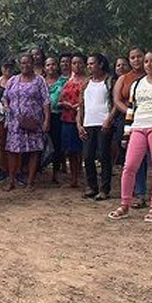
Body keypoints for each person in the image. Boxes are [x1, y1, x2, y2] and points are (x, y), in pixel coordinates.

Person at [108, 49, 152, 224]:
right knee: (129, 166)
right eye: (146, 62)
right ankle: (124, 204)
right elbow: (131, 110)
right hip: (138, 127)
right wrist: (127, 133)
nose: (149, 64)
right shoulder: (137, 84)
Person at [1, 53, 51, 191]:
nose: (25, 65)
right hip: (15, 122)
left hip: (33, 121)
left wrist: (47, 120)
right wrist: (6, 106)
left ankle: (30, 182)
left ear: (32, 64)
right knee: (12, 151)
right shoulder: (13, 80)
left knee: (33, 151)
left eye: (28, 63)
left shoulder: (39, 80)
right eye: (22, 63)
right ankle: (11, 180)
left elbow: (46, 101)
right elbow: (5, 97)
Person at [113, 47, 147, 206]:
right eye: (132, 57)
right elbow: (117, 100)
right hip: (126, 121)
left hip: (149, 121)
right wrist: (130, 112)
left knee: (143, 158)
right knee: (128, 157)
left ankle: (140, 192)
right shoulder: (124, 79)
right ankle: (129, 190)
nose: (136, 60)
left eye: (139, 57)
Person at [78, 53, 114, 200]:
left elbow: (114, 102)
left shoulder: (109, 80)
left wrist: (109, 119)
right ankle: (92, 187)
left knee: (104, 156)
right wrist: (79, 124)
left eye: (92, 63)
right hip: (88, 123)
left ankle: (105, 189)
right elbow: (81, 105)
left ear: (100, 64)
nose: (89, 66)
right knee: (87, 156)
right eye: (88, 64)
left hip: (103, 123)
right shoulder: (86, 83)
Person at [58, 54, 87, 188]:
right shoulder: (67, 81)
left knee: (81, 149)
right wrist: (65, 104)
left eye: (80, 63)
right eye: (74, 63)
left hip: (82, 118)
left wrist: (77, 106)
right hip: (67, 118)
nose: (77, 65)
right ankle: (73, 177)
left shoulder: (87, 81)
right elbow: (59, 100)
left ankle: (82, 175)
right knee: (70, 150)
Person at [45, 56, 68, 183]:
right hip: (42, 117)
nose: (51, 67)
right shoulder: (40, 82)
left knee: (57, 144)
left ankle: (56, 172)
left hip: (59, 116)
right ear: (44, 67)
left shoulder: (64, 81)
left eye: (53, 64)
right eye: (48, 65)